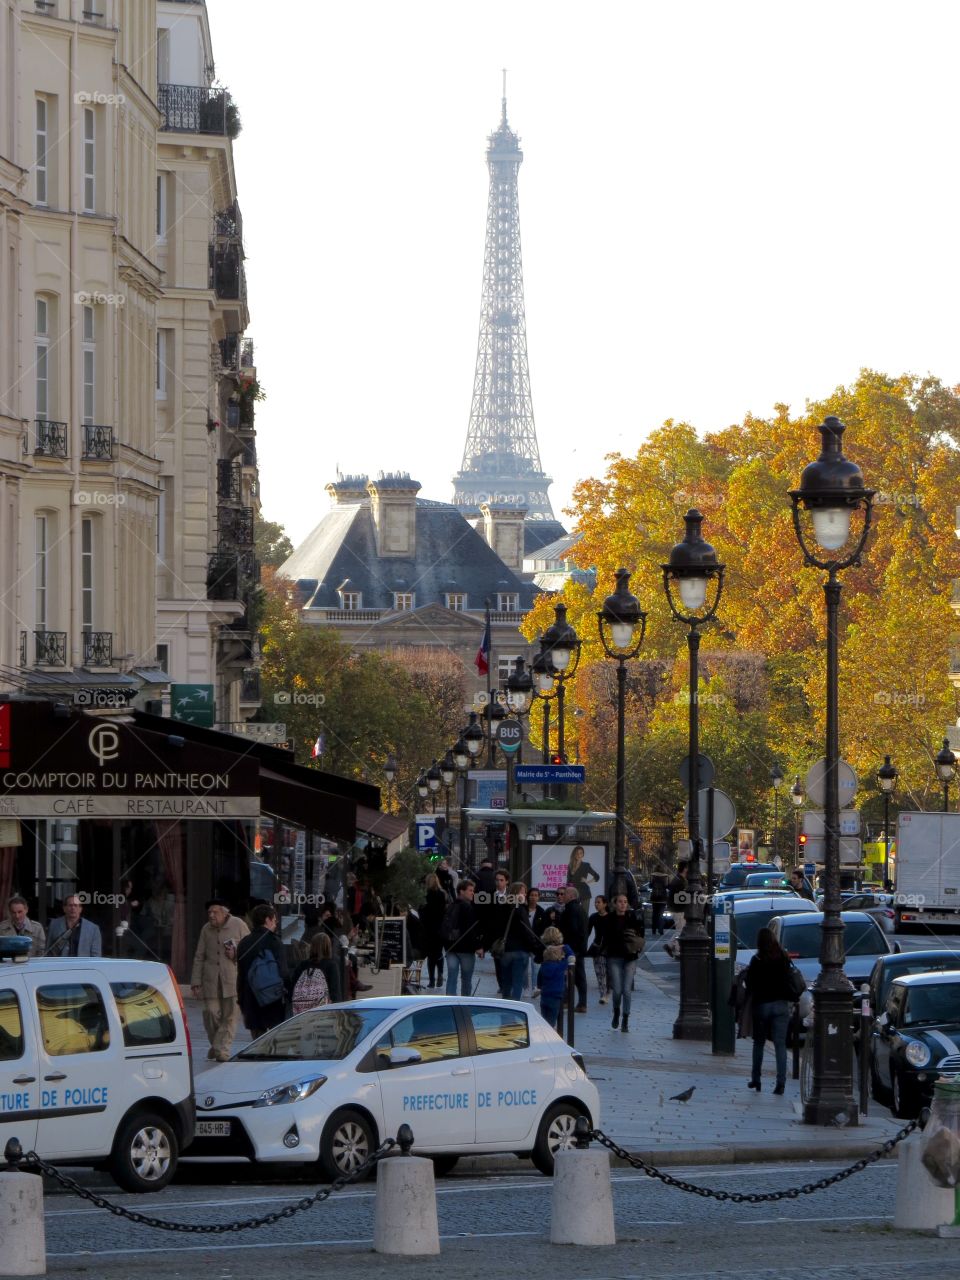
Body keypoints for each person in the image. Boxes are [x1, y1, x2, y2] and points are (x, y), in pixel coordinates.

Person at [190, 898, 249, 1061]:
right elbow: (199, 956)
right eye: (209, 912)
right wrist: (195, 981)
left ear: (225, 913)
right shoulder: (206, 929)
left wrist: (236, 954)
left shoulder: (239, 925)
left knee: (230, 1017)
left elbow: (250, 948)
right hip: (210, 981)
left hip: (232, 979)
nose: (211, 915)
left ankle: (222, 1050)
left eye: (214, 912)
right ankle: (217, 1045)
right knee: (210, 1013)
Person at [744, 926, 793, 1094]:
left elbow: (750, 984)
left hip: (762, 1005)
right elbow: (789, 978)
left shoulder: (757, 959)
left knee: (759, 1043)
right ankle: (781, 1083)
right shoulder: (783, 957)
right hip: (781, 1004)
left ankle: (756, 1079)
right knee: (780, 1045)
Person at [237, 903, 289, 1038]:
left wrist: (241, 1000)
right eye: (274, 919)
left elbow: (241, 974)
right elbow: (283, 972)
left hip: (251, 998)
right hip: (273, 1000)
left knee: (257, 1041)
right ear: (267, 920)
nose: (276, 923)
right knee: (275, 1039)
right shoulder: (275, 942)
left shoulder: (244, 943)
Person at [604, 893, 644, 1032]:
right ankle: (616, 1012)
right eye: (620, 902)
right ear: (615, 904)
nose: (622, 904)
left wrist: (637, 945)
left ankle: (625, 1018)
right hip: (614, 957)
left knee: (627, 990)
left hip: (630, 957)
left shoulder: (632, 917)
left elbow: (640, 934)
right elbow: (605, 938)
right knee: (617, 990)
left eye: (625, 902)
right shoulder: (609, 918)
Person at [498, 884, 543, 1001]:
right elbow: (527, 931)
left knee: (506, 980)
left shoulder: (503, 907)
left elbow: (495, 928)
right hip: (520, 950)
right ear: (517, 893)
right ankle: (514, 1005)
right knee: (518, 981)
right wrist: (535, 947)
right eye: (523, 892)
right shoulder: (521, 909)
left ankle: (505, 1002)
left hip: (505, 949)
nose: (525, 895)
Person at [443, 881, 485, 995]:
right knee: (466, 979)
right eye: (470, 890)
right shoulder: (468, 908)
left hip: (451, 947)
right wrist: (478, 946)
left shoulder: (450, 906)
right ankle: (465, 1002)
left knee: (452, 977)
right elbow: (471, 929)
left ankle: (449, 1001)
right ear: (461, 891)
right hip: (466, 949)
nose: (473, 893)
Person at [558, 884, 588, 1012]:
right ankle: (581, 1003)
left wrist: (566, 946)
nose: (562, 896)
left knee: (568, 976)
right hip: (579, 948)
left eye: (564, 894)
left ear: (571, 896)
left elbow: (572, 929)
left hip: (572, 948)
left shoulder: (570, 909)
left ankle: (568, 1001)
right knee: (579, 976)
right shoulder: (580, 909)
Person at [538, 926, 573, 1030]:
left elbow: (539, 980)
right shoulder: (560, 966)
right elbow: (570, 957)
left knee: (545, 1019)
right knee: (552, 1022)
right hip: (556, 996)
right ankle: (551, 1035)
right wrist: (565, 947)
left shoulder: (543, 965)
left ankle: (544, 1032)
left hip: (544, 996)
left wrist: (539, 988)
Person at [290, 933, 335, 1012]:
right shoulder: (331, 965)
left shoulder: (303, 964)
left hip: (302, 1012)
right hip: (322, 1012)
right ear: (328, 947)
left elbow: (293, 986)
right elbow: (335, 992)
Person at [420, 872, 448, 989]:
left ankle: (431, 980)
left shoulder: (425, 895)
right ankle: (440, 972)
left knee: (431, 956)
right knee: (439, 953)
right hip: (440, 927)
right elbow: (444, 910)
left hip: (428, 928)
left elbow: (422, 911)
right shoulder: (442, 894)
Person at [522, 886, 547, 995]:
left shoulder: (541, 912)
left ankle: (535, 987)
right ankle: (525, 988)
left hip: (536, 943)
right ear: (528, 896)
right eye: (532, 895)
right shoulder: (523, 909)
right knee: (523, 967)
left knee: (535, 967)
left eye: (536, 895)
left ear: (539, 898)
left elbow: (543, 928)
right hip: (524, 942)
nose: (533, 897)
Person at [587, 894, 610, 1005]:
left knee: (609, 973)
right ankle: (603, 994)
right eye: (595, 902)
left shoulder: (611, 917)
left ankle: (607, 992)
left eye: (599, 902)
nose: (596, 904)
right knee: (599, 973)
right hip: (597, 947)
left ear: (605, 904)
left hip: (610, 948)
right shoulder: (593, 917)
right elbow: (587, 932)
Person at [665, 860, 689, 958]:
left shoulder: (678, 879)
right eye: (688, 867)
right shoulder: (680, 881)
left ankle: (672, 947)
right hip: (679, 909)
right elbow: (682, 897)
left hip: (677, 908)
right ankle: (674, 949)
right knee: (680, 930)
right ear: (685, 869)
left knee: (680, 929)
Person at [567, 846, 601, 914]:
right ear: (574, 854)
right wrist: (568, 892)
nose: (579, 855)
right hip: (574, 894)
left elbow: (597, 877)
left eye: (580, 853)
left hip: (584, 893)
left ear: (583, 855)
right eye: (577, 853)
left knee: (584, 915)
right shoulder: (570, 866)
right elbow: (568, 881)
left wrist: (587, 881)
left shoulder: (586, 865)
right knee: (572, 914)